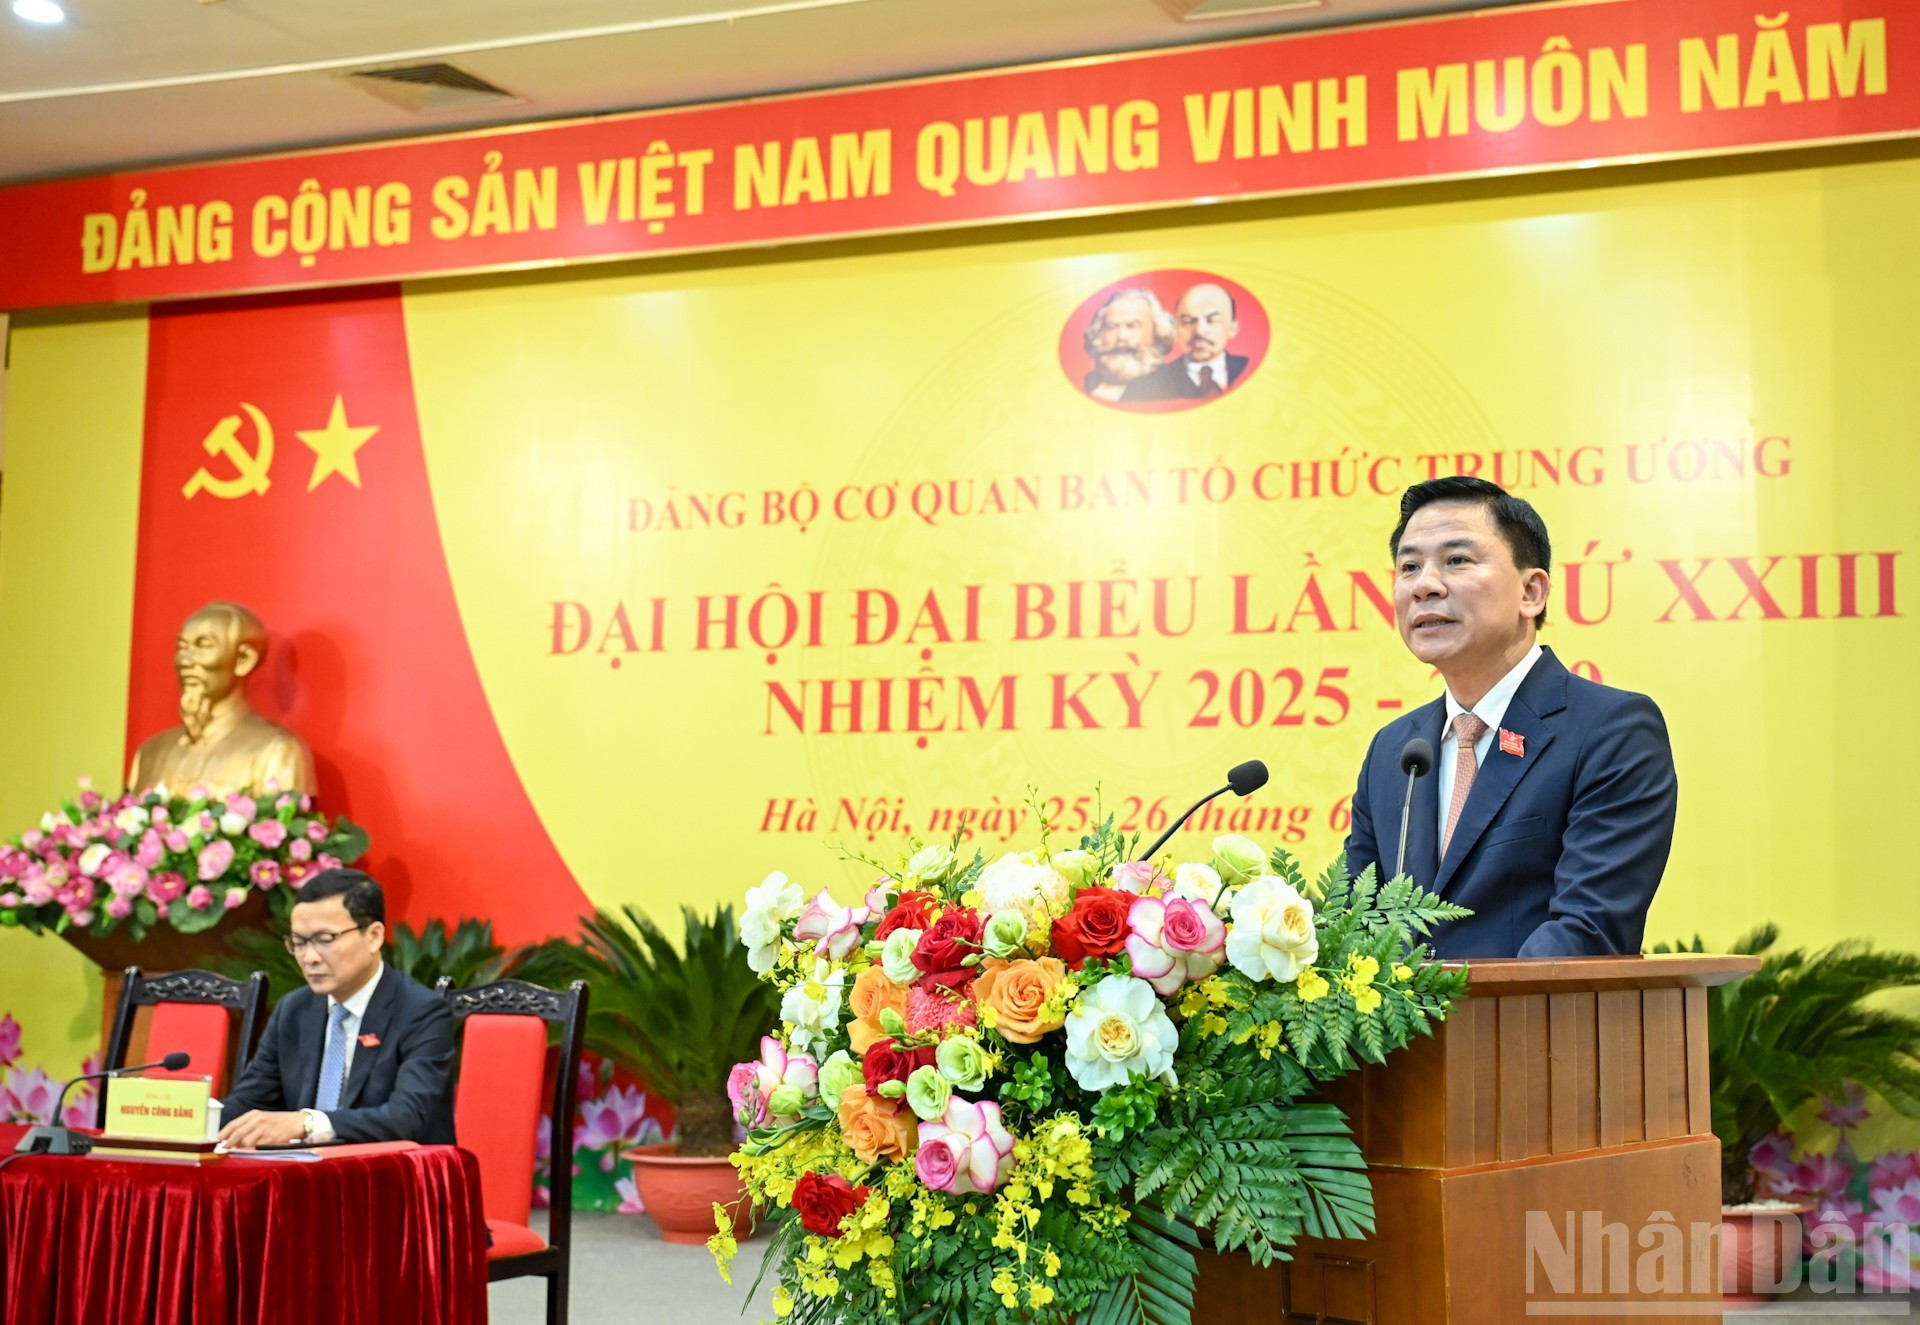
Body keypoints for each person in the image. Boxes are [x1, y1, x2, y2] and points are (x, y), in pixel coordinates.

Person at [1343, 476, 1678, 958]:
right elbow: (1354, 921)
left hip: (1536, 1030)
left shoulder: (1612, 731)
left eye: (1456, 560)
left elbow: (1587, 929)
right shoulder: (1395, 751)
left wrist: (1460, 1019)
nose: (1425, 586)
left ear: (1531, 592)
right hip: (1402, 1035)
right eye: (1409, 567)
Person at [217, 867, 457, 1147]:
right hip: (302, 1177)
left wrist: (308, 1123)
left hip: (390, 1179)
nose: (309, 957)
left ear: (374, 936)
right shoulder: (294, 1010)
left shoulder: (421, 1012)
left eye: (325, 940)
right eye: (299, 942)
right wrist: (183, 1116)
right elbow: (248, 1101)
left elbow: (408, 1118)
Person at [126, 600, 316, 798]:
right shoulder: (149, 753)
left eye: (204, 645)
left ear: (243, 660)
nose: (185, 660)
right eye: (182, 647)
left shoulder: (277, 752)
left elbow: (283, 824)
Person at [1119, 282, 1249, 402]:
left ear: (1233, 328)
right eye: (1188, 322)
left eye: (1211, 320)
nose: (1199, 331)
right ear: (1176, 328)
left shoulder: (1249, 368)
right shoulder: (1144, 386)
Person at [1080, 288, 1176, 401]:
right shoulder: (1087, 384)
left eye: (1132, 326)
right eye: (1112, 327)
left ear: (1156, 332)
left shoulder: (1172, 386)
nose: (1121, 336)